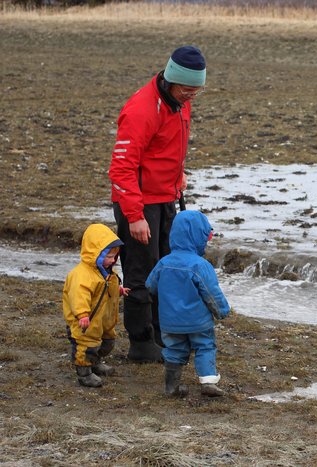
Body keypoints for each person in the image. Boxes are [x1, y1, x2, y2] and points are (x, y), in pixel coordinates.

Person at [108, 45, 206, 363]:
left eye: (196, 90)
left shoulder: (180, 101)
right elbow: (121, 167)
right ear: (171, 79)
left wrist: (178, 175)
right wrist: (134, 216)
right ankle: (140, 343)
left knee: (168, 267)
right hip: (138, 203)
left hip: (166, 196)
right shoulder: (141, 110)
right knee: (141, 270)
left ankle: (164, 334)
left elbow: (168, 145)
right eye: (187, 89)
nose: (191, 95)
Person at [146, 210, 232, 397]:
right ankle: (208, 382)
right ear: (197, 238)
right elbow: (211, 293)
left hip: (170, 322)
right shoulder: (200, 265)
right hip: (198, 322)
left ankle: (171, 387)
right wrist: (222, 311)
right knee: (205, 346)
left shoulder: (164, 263)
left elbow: (150, 286)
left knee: (174, 350)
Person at [63, 224, 129, 387]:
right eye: (108, 256)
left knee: (107, 343)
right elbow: (78, 297)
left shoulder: (107, 272)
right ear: (95, 253)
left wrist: (118, 290)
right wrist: (82, 315)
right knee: (87, 346)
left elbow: (105, 288)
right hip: (87, 321)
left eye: (115, 256)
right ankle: (84, 373)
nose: (112, 260)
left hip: (103, 319)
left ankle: (95, 363)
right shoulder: (81, 275)